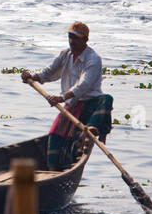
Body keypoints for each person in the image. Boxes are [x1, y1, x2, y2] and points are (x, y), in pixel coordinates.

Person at [18, 21, 111, 170]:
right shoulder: (65, 54)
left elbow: (83, 85)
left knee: (107, 99)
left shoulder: (93, 59)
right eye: (70, 37)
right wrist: (33, 77)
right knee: (55, 136)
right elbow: (50, 72)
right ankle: (53, 170)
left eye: (76, 38)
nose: (72, 41)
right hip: (72, 104)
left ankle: (89, 130)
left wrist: (61, 98)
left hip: (90, 103)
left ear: (85, 40)